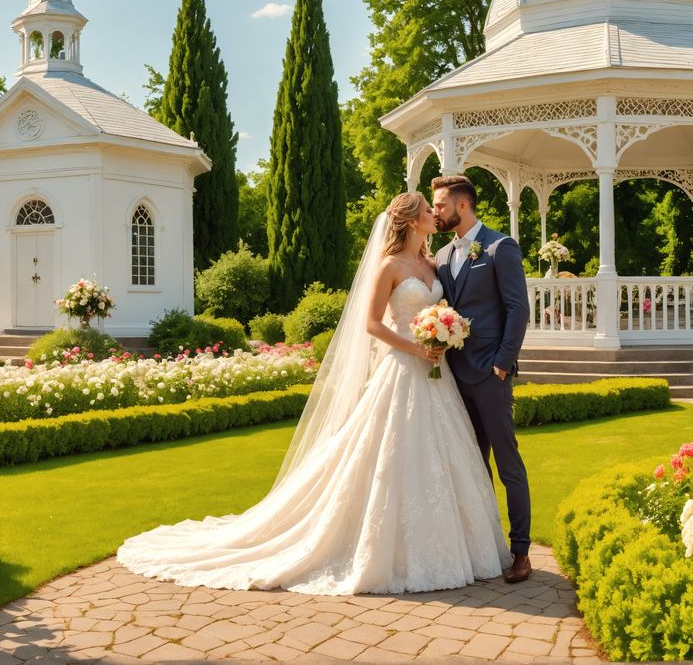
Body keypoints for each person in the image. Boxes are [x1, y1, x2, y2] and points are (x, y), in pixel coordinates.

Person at [115, 191, 511, 594]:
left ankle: (449, 546)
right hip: (403, 368)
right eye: (428, 210)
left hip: (436, 373)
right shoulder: (388, 266)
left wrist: (444, 334)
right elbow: (372, 324)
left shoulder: (432, 262)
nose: (434, 215)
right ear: (411, 221)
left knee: (442, 455)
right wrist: (417, 347)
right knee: (390, 452)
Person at [430, 174, 533, 583]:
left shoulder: (499, 247)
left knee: (508, 464)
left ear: (462, 205)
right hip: (453, 377)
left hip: (491, 374)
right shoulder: (439, 255)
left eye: (440, 205)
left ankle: (521, 552)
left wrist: (503, 364)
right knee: (473, 466)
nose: (435, 211)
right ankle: (486, 548)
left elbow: (517, 309)